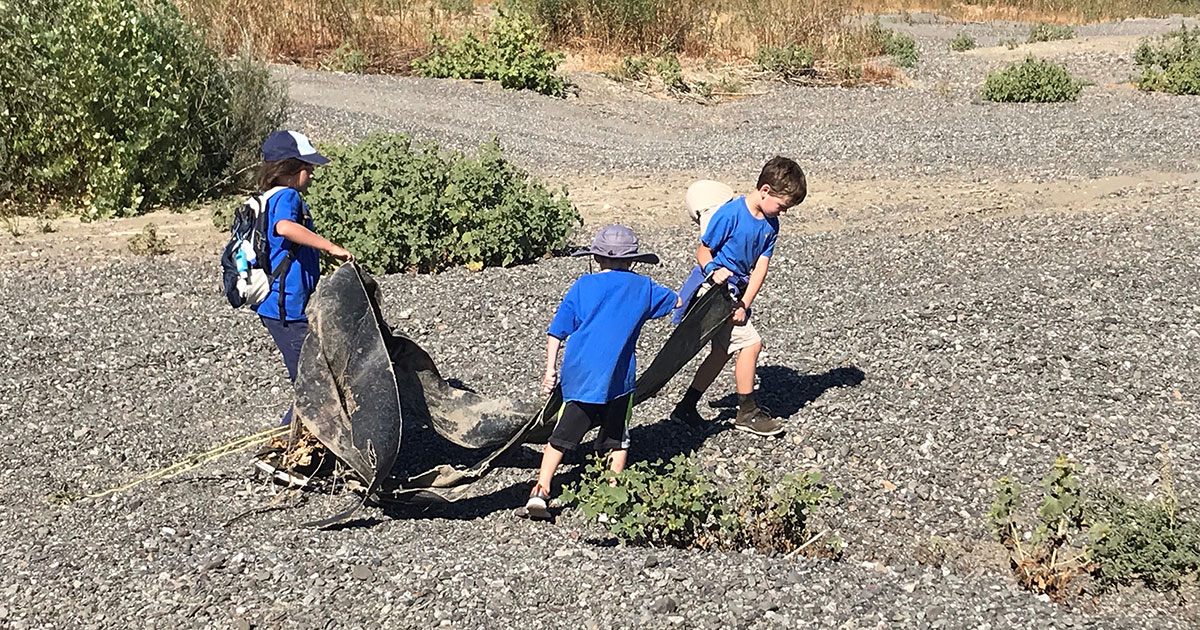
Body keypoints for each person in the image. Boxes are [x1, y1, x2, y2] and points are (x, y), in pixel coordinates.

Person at [521, 225, 678, 520]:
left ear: (596, 259)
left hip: (579, 374)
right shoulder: (643, 288)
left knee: (561, 436)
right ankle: (611, 496)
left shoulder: (582, 286)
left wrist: (549, 371)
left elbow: (556, 331)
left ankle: (541, 490)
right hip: (618, 379)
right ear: (632, 260)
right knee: (618, 438)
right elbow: (676, 301)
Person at [669, 157, 807, 437]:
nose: (782, 213)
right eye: (782, 206)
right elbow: (703, 251)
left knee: (721, 353)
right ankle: (747, 412)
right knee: (751, 344)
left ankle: (685, 407)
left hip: (736, 296)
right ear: (765, 190)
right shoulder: (730, 214)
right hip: (713, 292)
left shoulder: (770, 225)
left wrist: (746, 303)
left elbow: (760, 268)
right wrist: (712, 270)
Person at [255, 130, 353, 428]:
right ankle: (284, 450)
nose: (311, 174)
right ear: (290, 170)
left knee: (313, 378)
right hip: (286, 308)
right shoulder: (287, 196)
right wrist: (330, 246)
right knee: (312, 383)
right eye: (307, 168)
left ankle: (299, 445)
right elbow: (284, 227)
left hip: (278, 306)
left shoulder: (267, 198)